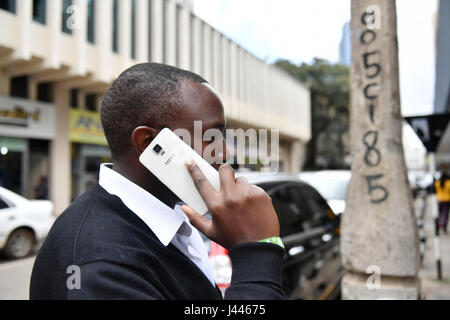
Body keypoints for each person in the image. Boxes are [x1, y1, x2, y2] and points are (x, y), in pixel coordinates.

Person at [30, 63, 286, 300]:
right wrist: (257, 251)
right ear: (148, 143)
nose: (224, 154)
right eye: (211, 136)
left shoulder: (174, 217)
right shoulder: (99, 269)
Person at [435, 165, 450, 234]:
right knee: (445, 214)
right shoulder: (448, 183)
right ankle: (443, 226)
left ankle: (439, 223)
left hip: (439, 200)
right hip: (447, 200)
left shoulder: (437, 183)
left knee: (440, 213)